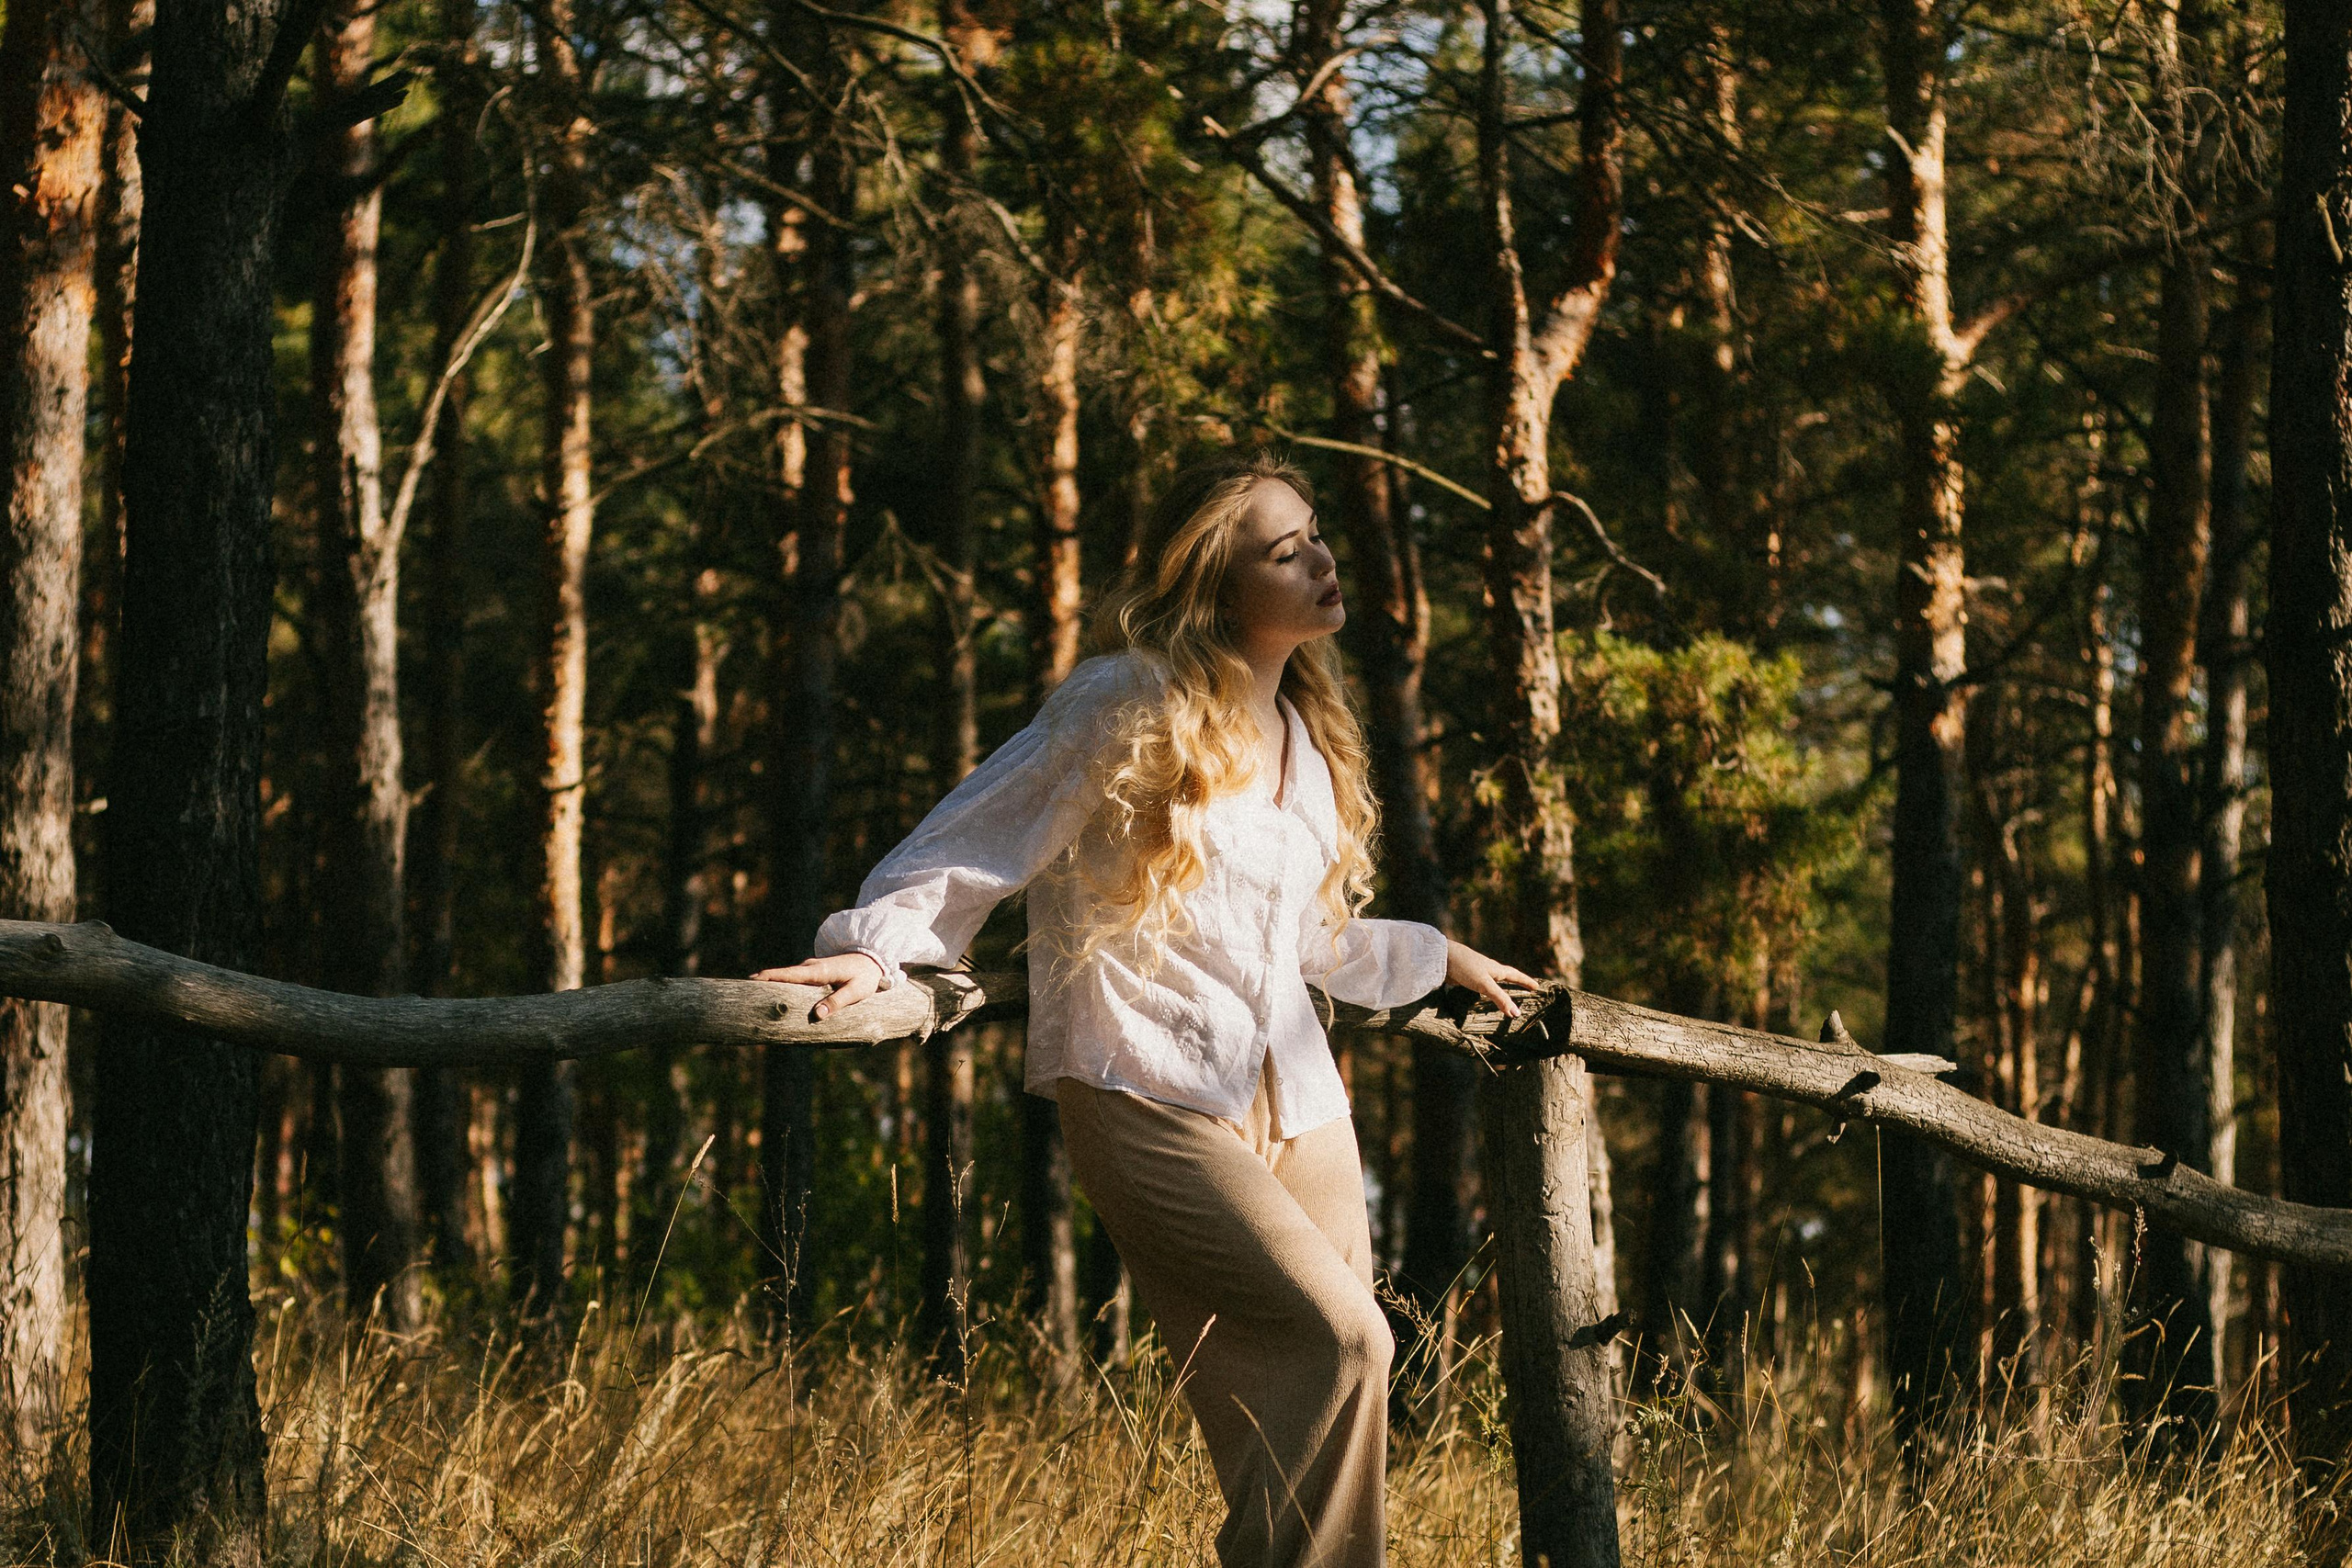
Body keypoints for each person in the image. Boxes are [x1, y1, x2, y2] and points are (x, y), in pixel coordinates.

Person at [752, 451, 1537, 1568]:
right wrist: (875, 951)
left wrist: (1436, 955)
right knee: (1346, 1344)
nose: (1322, 560)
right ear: (1216, 583)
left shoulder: (1306, 737)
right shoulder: (1125, 699)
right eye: (1286, 551)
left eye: (1317, 535)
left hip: (1301, 1103)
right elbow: (978, 837)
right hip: (1143, 1082)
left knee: (1310, 1422)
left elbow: (1309, 944)